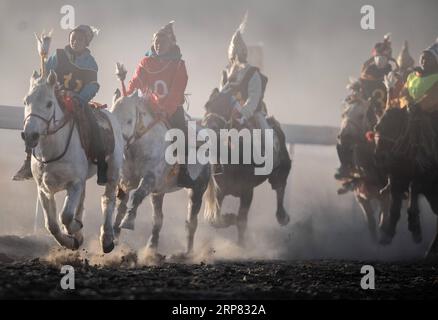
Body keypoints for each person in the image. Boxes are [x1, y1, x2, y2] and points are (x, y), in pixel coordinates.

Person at [13, 25, 108, 185]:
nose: (76, 41)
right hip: (54, 98)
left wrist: (79, 97)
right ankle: (29, 161)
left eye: (80, 39)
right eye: (73, 38)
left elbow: (93, 86)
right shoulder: (58, 55)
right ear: (69, 39)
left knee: (94, 125)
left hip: (78, 101)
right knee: (35, 122)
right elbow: (44, 76)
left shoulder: (91, 63)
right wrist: (42, 80)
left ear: (86, 43)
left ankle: (101, 165)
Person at [125, 21, 191, 185]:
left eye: (163, 42)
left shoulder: (178, 65)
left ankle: (183, 171)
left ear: (171, 44)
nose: (159, 45)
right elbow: (135, 83)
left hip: (171, 109)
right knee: (126, 129)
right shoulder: (145, 62)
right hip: (147, 106)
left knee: (180, 134)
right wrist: (125, 98)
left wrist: (166, 110)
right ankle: (119, 168)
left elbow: (177, 91)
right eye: (156, 42)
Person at [335, 34, 395, 180]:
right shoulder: (366, 73)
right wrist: (358, 99)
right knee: (344, 133)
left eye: (383, 57)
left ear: (388, 59)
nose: (380, 60)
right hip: (366, 110)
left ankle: (395, 169)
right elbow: (357, 91)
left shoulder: (392, 74)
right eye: (378, 56)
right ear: (374, 57)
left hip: (386, 111)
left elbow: (395, 94)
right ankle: (346, 165)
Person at [219, 14, 269, 130]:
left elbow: (253, 100)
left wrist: (242, 114)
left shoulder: (252, 73)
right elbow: (221, 97)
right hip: (229, 116)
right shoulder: (226, 73)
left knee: (266, 134)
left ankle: (272, 147)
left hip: (251, 115)